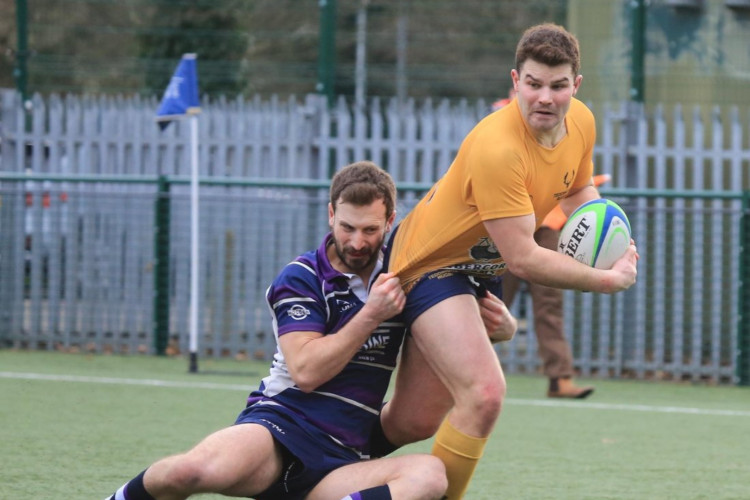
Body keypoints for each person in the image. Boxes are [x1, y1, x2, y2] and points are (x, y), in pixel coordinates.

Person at [370, 23, 639, 499]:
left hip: (478, 269)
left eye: (558, 86)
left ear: (575, 86)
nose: (545, 98)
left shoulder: (582, 121)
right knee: (485, 395)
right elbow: (524, 258)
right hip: (429, 265)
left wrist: (602, 230)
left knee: (413, 420)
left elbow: (579, 190)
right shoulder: (498, 147)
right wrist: (605, 278)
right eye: (533, 84)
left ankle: (325, 464)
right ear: (515, 81)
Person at [103, 161, 451, 500]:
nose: (357, 242)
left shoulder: (400, 276)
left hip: (345, 457)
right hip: (280, 429)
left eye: (370, 230)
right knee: (189, 472)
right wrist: (371, 314)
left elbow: (446, 330)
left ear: (390, 221)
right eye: (347, 227)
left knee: (430, 476)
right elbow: (306, 372)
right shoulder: (302, 277)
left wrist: (494, 326)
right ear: (331, 214)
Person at [502, 173, 611, 399]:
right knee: (493, 302)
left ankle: (560, 379)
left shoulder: (568, 145)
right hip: (508, 224)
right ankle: (457, 373)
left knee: (550, 305)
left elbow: (578, 183)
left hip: (547, 228)